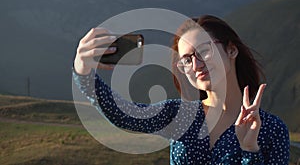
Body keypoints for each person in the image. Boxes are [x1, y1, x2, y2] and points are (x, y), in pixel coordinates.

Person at [73, 15, 290, 164]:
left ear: (231, 50)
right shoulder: (179, 115)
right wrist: (84, 74)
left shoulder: (272, 129)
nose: (195, 66)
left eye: (204, 51)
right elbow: (124, 114)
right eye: (186, 60)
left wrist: (249, 149)